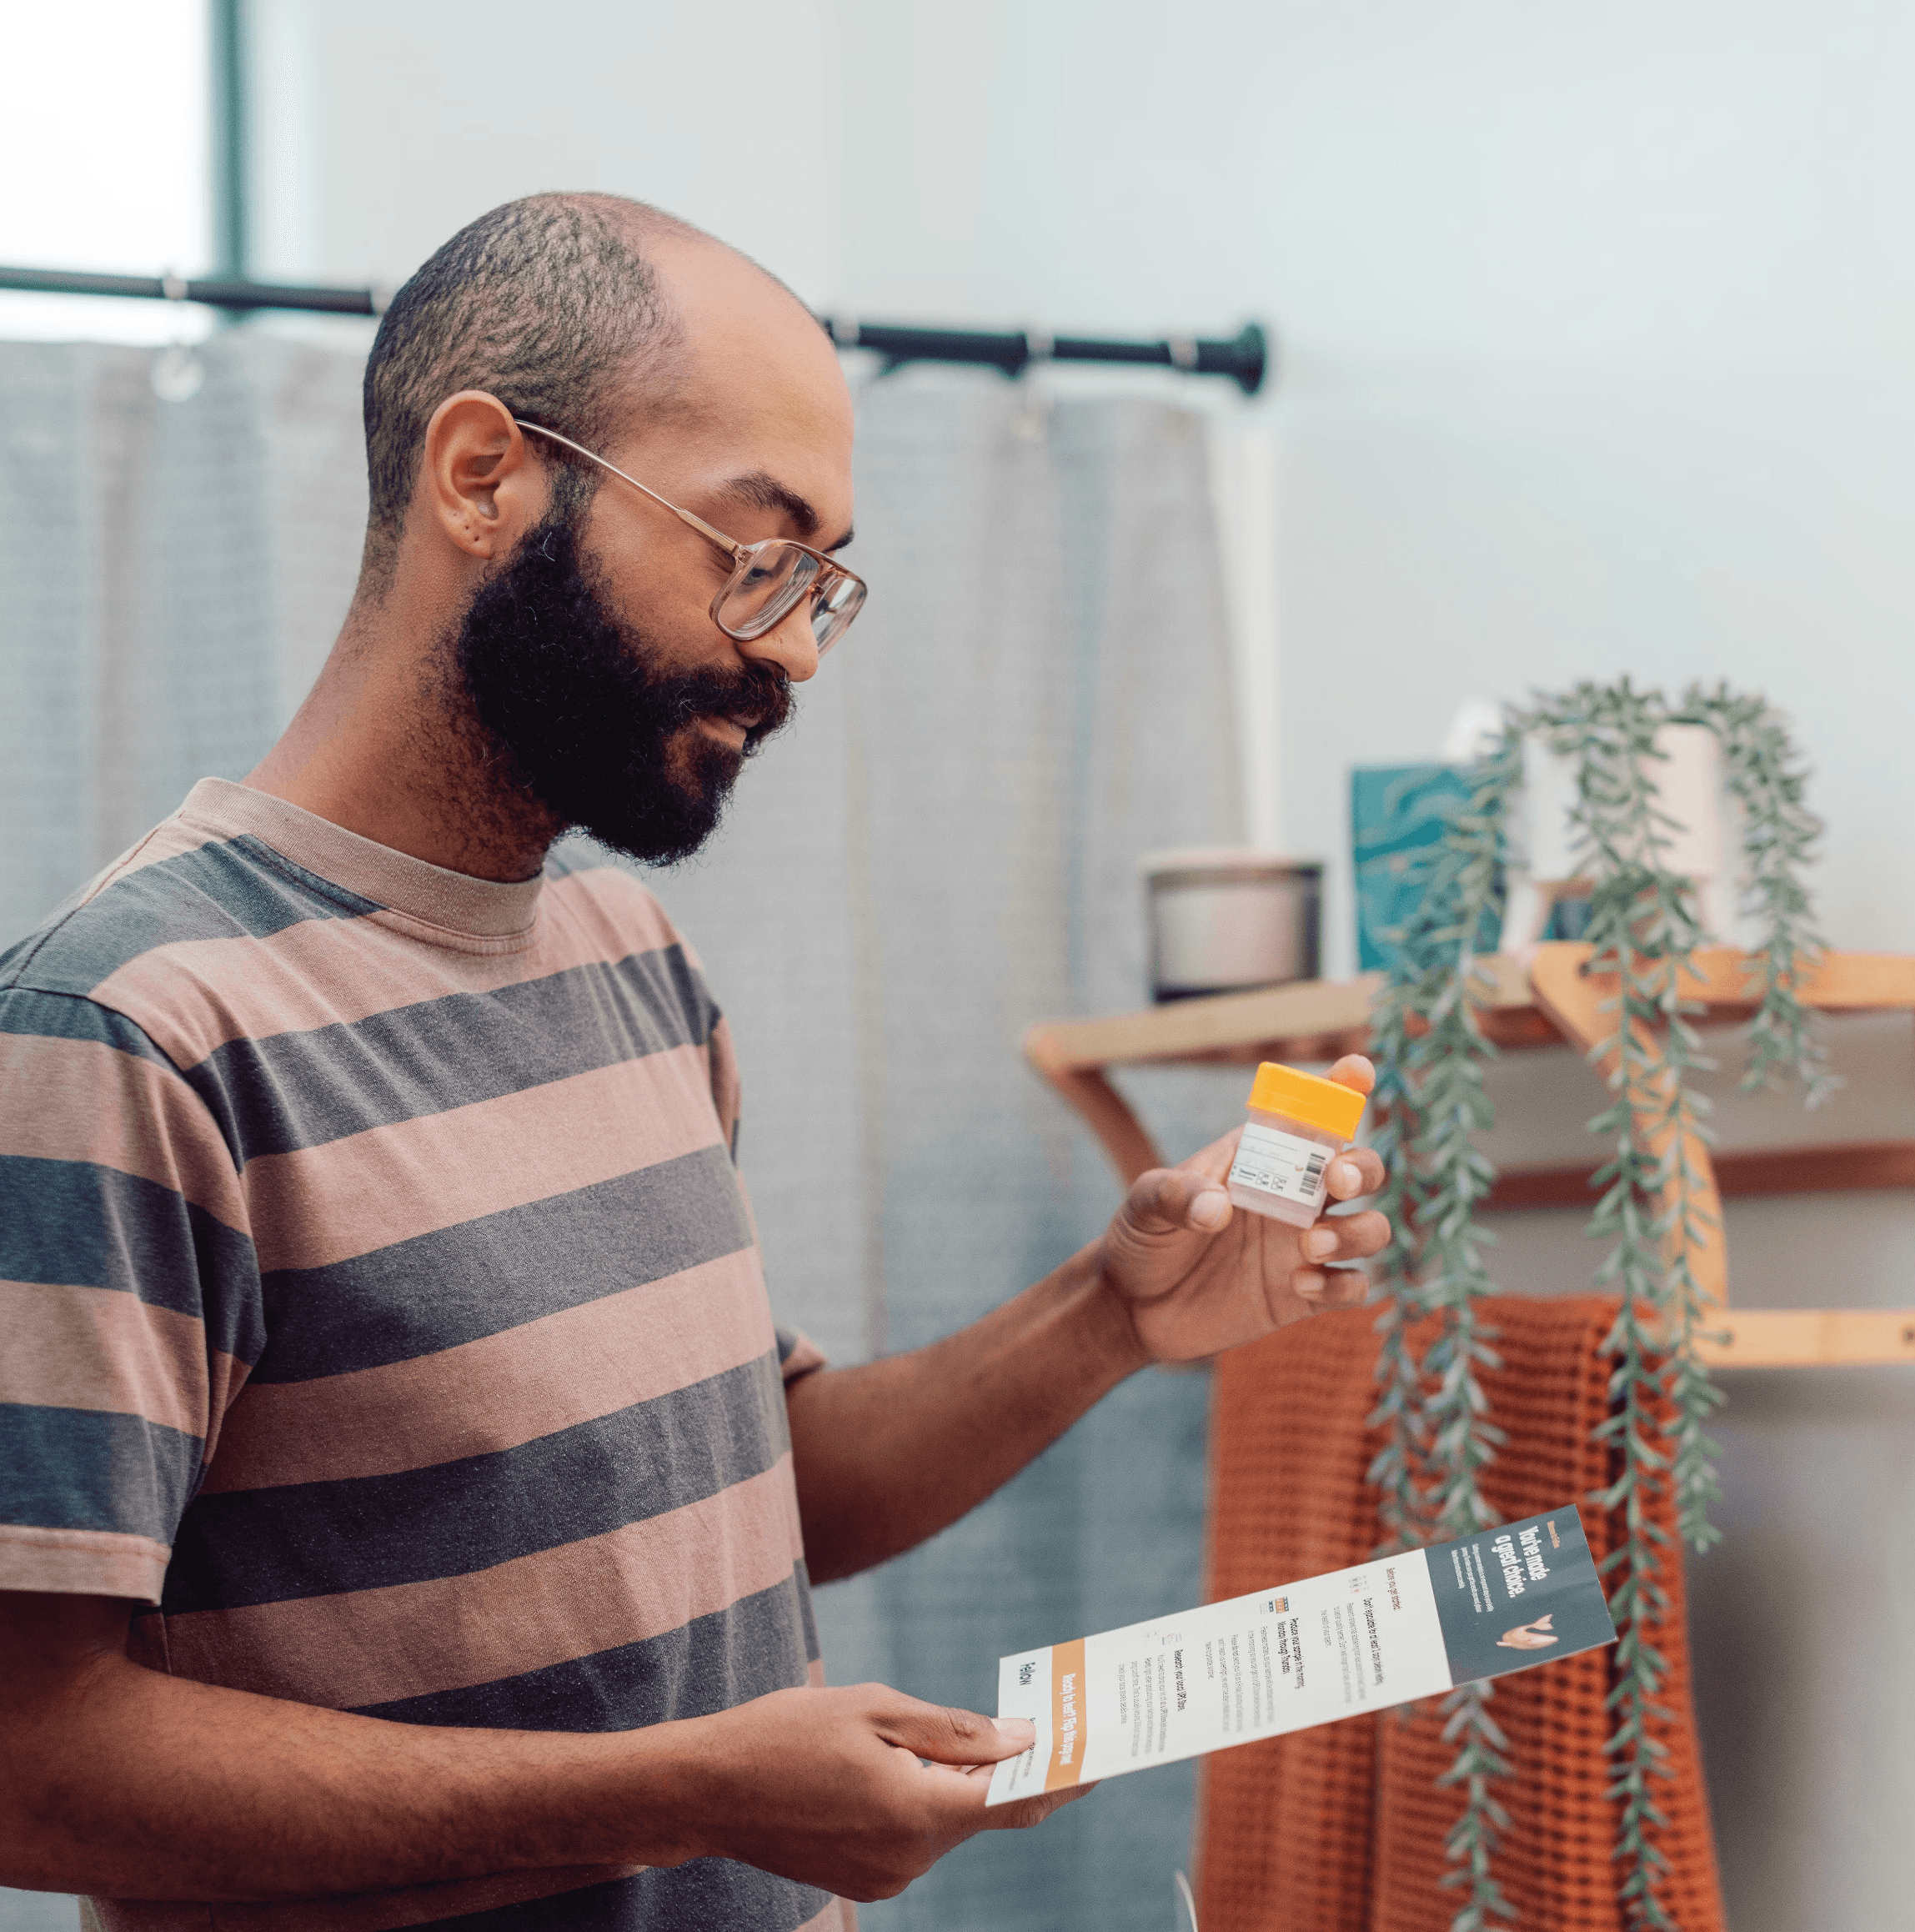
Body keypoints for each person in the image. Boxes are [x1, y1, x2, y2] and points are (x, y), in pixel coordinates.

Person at [0, 193, 1388, 1929]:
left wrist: (1108, 1314)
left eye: (822, 581)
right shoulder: (129, 1034)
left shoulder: (628, 958)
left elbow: (750, 1480)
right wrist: (686, 1793)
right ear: (485, 478)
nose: (793, 647)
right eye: (756, 550)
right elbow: (28, 1763)